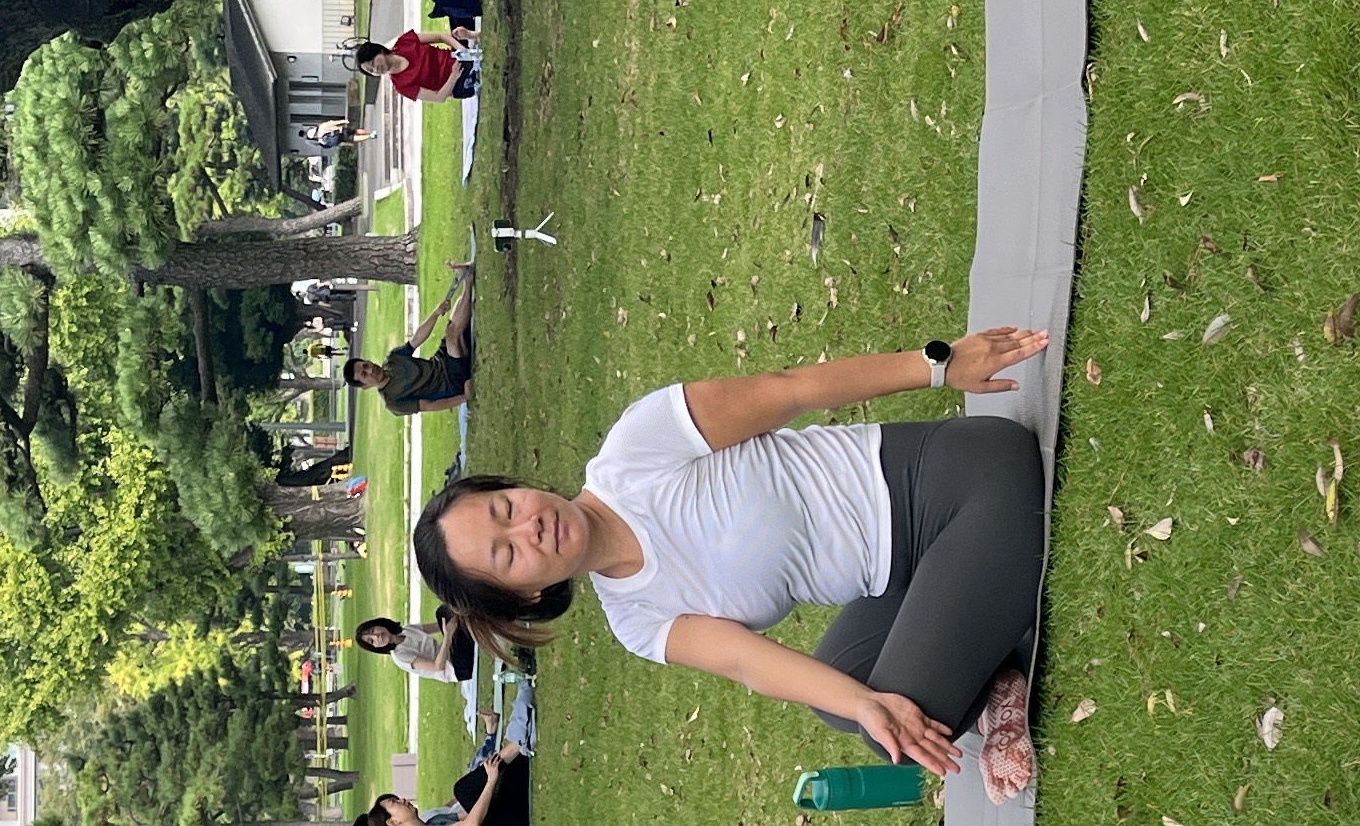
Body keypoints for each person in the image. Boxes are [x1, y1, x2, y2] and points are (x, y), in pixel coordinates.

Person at [411, 329, 1053, 798]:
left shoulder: (636, 447)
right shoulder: (639, 619)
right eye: (508, 553)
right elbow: (749, 660)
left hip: (963, 483)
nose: (531, 525)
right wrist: (863, 705)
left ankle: (982, 656)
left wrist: (941, 366)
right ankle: (988, 661)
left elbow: (794, 390)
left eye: (505, 506)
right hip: (901, 573)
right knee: (849, 701)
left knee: (913, 701)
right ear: (522, 596)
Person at [355, 691, 533, 826]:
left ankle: (521, 745)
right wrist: (489, 781)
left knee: (512, 770)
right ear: (394, 822)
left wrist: (492, 784)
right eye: (395, 802)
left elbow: (468, 812)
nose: (402, 799)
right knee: (463, 790)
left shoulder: (430, 824)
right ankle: (518, 740)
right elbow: (472, 824)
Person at [350, 261, 475, 412]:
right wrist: (464, 397)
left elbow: (417, 339)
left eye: (366, 365)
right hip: (452, 382)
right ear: (366, 386)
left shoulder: (393, 359)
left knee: (454, 320)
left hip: (442, 360)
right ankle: (468, 279)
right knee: (452, 335)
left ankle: (467, 282)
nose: (370, 370)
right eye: (364, 374)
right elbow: (429, 405)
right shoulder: (393, 402)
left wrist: (436, 313)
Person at [350, 28, 474, 106]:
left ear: (379, 51)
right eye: (371, 71)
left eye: (372, 64)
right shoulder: (401, 86)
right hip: (457, 83)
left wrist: (461, 50)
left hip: (458, 59)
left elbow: (441, 37)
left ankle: (471, 36)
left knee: (458, 30)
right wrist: (453, 77)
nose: (376, 70)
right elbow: (439, 97)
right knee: (471, 80)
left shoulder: (405, 42)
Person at [353, 612, 474, 687]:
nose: (376, 636)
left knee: (444, 612)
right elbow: (438, 666)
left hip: (453, 651)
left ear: (378, 624)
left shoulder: (406, 629)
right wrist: (448, 636)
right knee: (463, 631)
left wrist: (453, 615)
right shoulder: (400, 656)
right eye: (371, 641)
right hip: (456, 668)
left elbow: (438, 625)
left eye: (373, 631)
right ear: (375, 647)